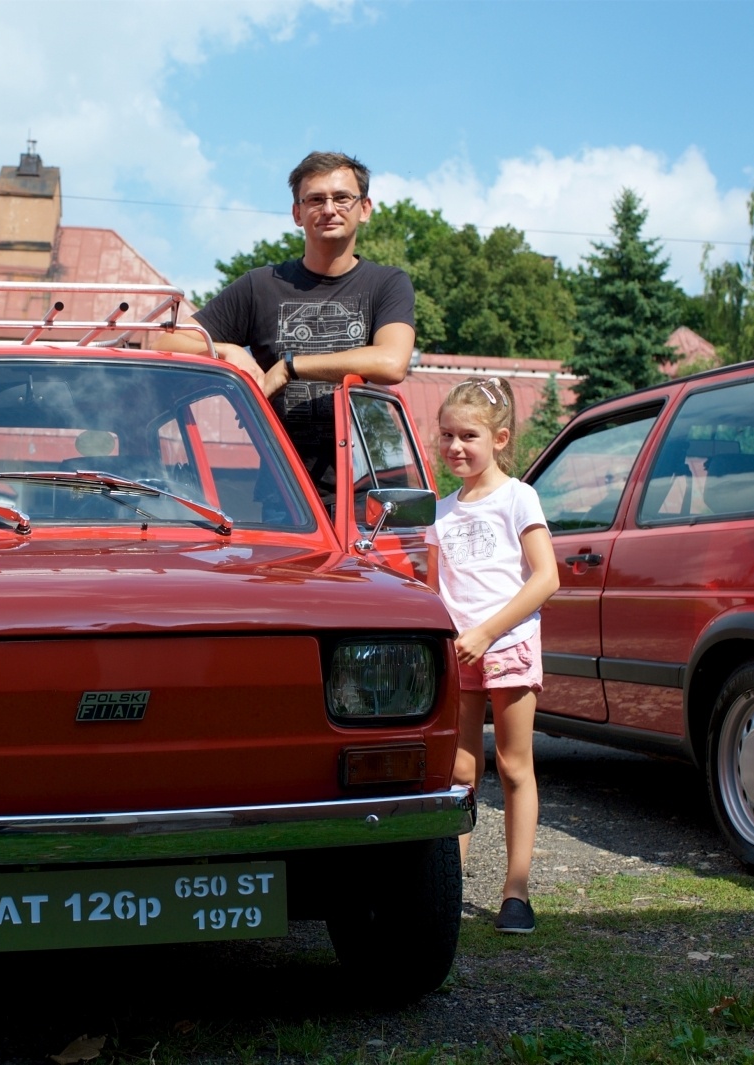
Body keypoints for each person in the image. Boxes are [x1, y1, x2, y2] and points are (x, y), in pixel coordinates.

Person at [158, 151, 416, 495]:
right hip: (286, 496)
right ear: (297, 212)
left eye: (342, 198)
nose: (328, 209)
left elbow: (391, 362)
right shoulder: (260, 286)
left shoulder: (387, 284)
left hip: (369, 491)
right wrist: (228, 351)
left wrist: (290, 367)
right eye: (315, 200)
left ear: (364, 208)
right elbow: (166, 342)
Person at [423, 378, 559, 934]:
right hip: (459, 654)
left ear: (500, 438)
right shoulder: (440, 510)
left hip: (508, 646)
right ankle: (448, 886)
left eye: (469, 436)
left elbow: (546, 577)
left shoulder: (518, 497)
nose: (456, 447)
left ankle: (516, 891)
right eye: (447, 435)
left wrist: (486, 632)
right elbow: (434, 592)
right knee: (458, 770)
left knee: (512, 765)